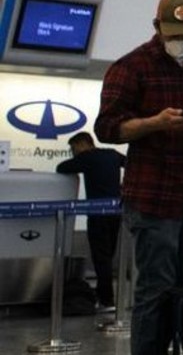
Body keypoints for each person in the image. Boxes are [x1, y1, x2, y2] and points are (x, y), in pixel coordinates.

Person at [94, 0, 183, 355]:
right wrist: (154, 123)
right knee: (155, 289)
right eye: (174, 35)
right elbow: (107, 128)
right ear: (157, 26)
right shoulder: (130, 67)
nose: (182, 42)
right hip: (152, 195)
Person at [56, 131, 127, 311]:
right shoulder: (112, 154)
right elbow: (130, 163)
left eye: (73, 148)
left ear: (82, 144)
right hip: (115, 212)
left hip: (97, 214)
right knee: (108, 255)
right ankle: (106, 296)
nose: (73, 153)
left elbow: (62, 168)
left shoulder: (87, 158)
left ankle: (106, 300)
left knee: (100, 257)